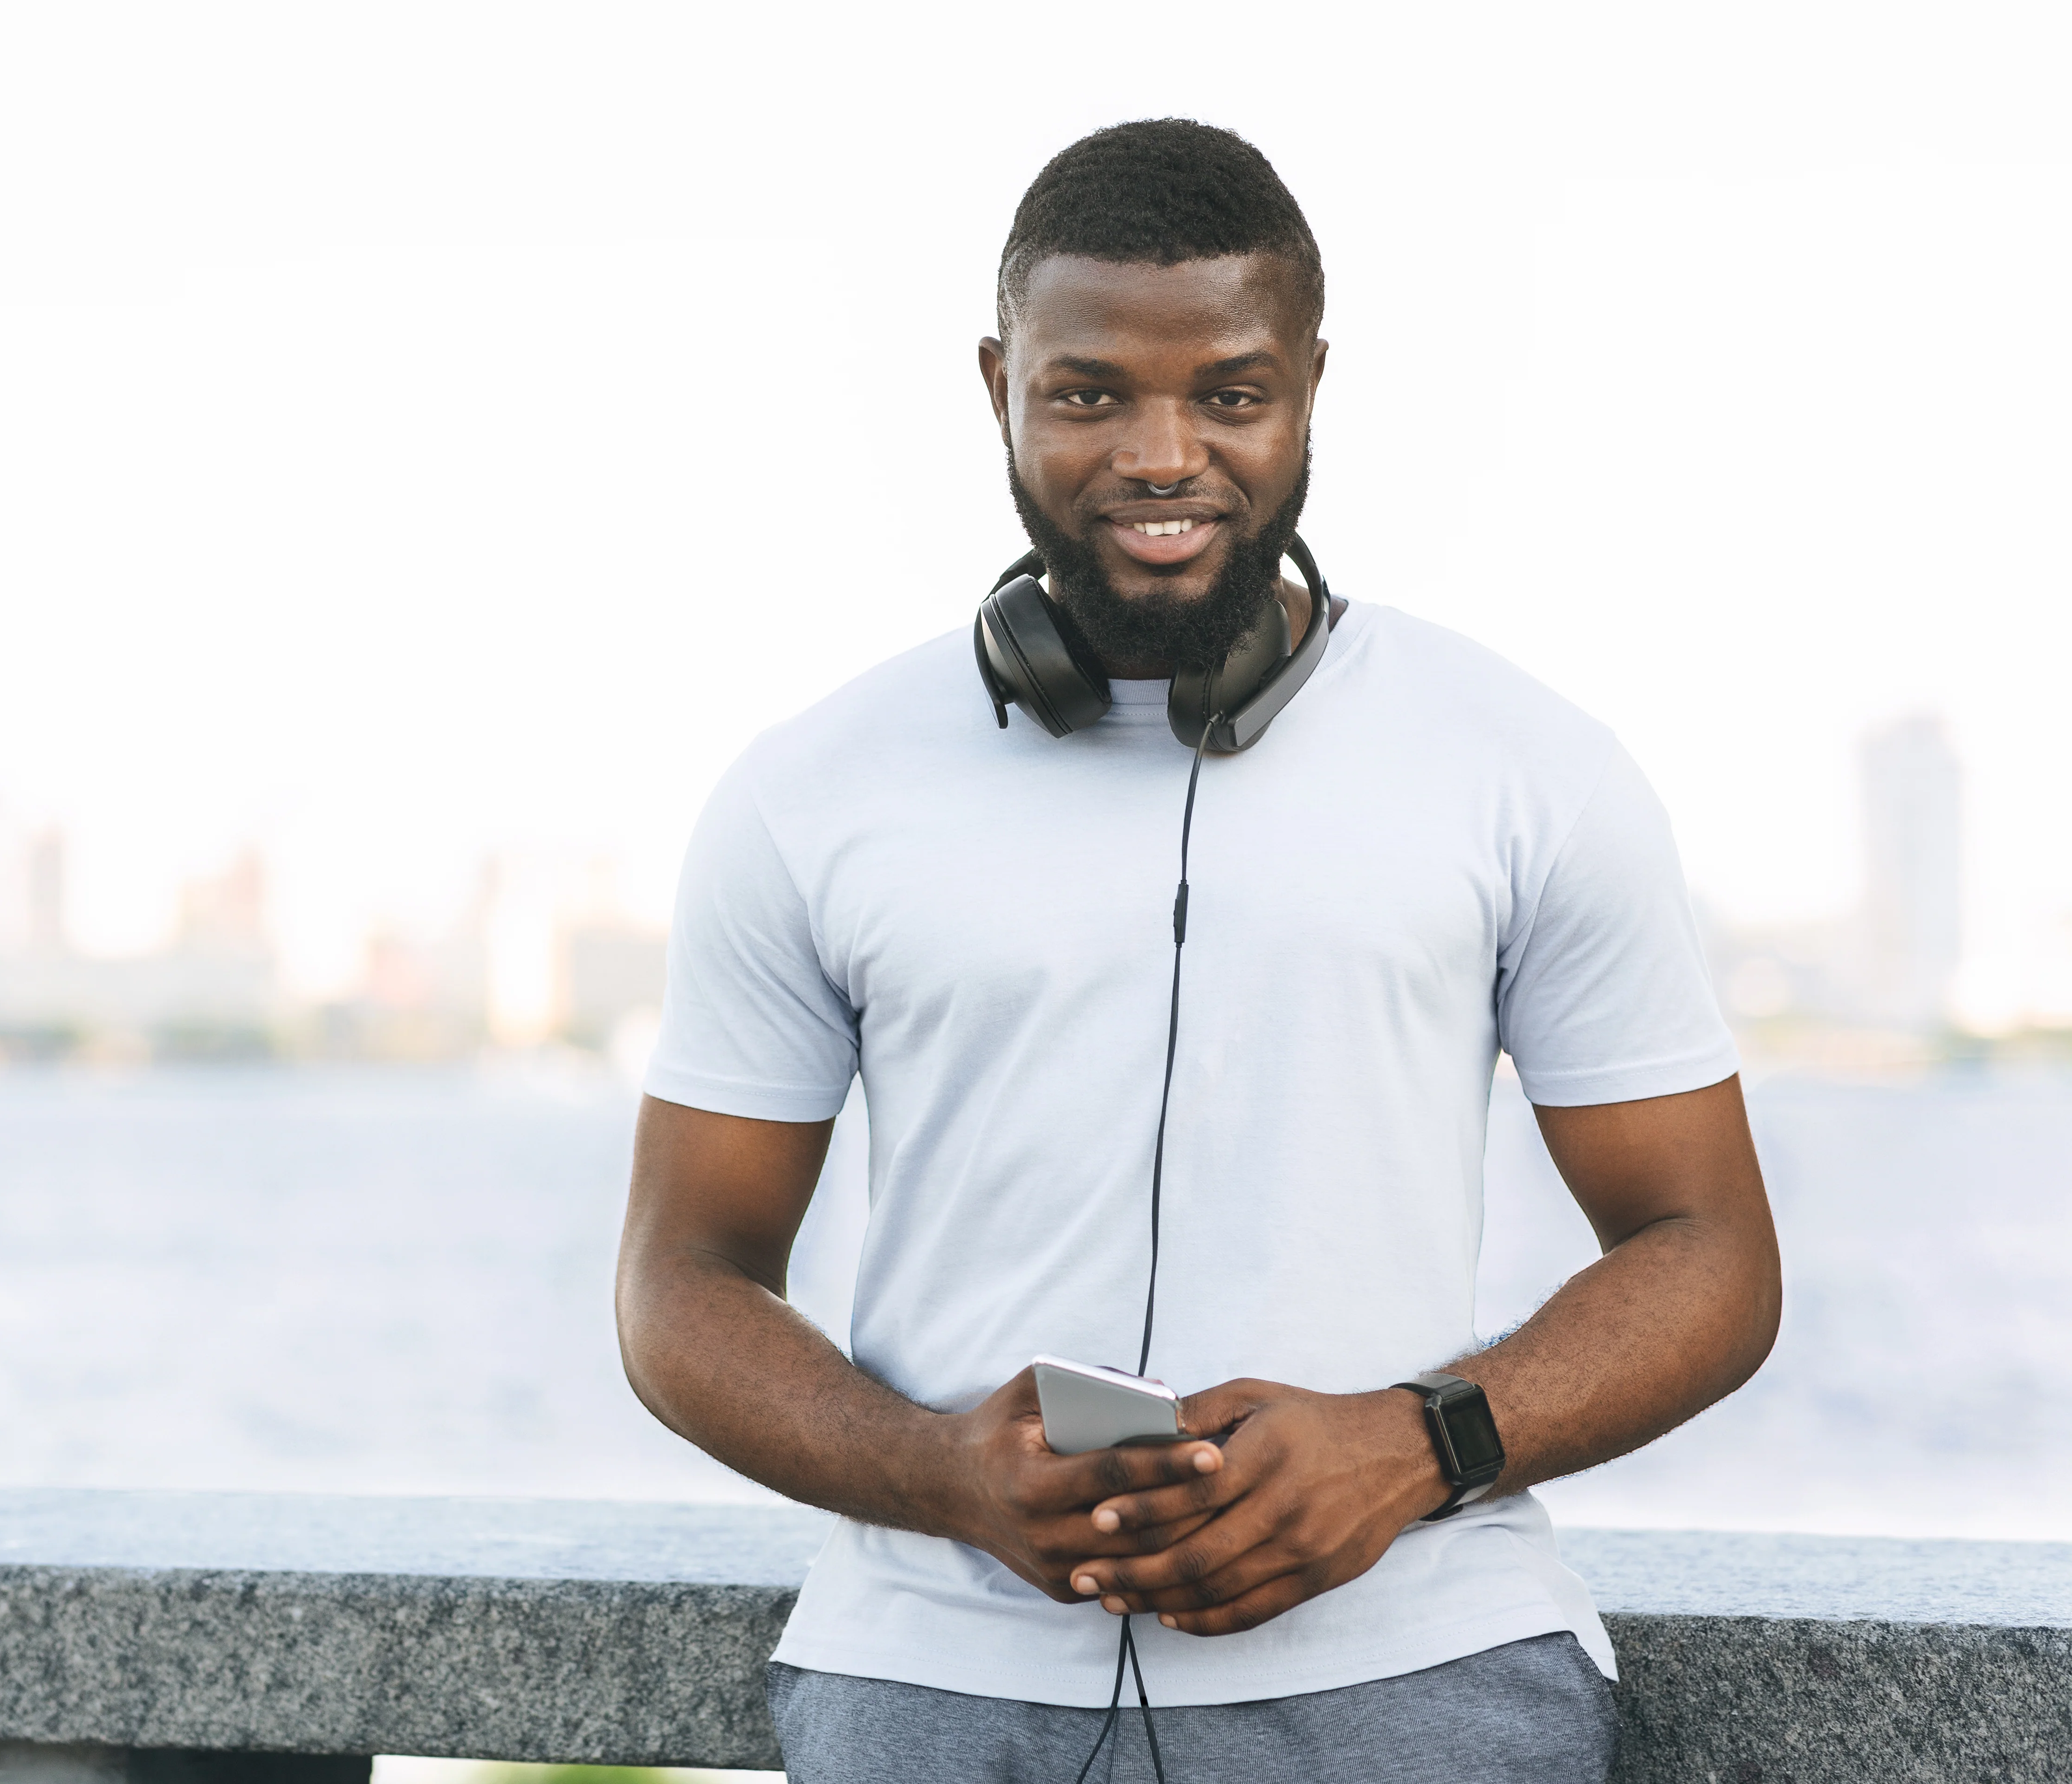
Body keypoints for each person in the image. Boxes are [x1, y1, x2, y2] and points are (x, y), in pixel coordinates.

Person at [613, 119, 1780, 1783]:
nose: (1164, 453)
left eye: (1231, 393)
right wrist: (943, 1470)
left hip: (1419, 1677)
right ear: (999, 384)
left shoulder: (1528, 767)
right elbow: (680, 1286)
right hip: (933, 1688)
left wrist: (1418, 1444)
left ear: (1311, 384)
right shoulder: (811, 788)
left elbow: (1712, 1250)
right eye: (1090, 393)